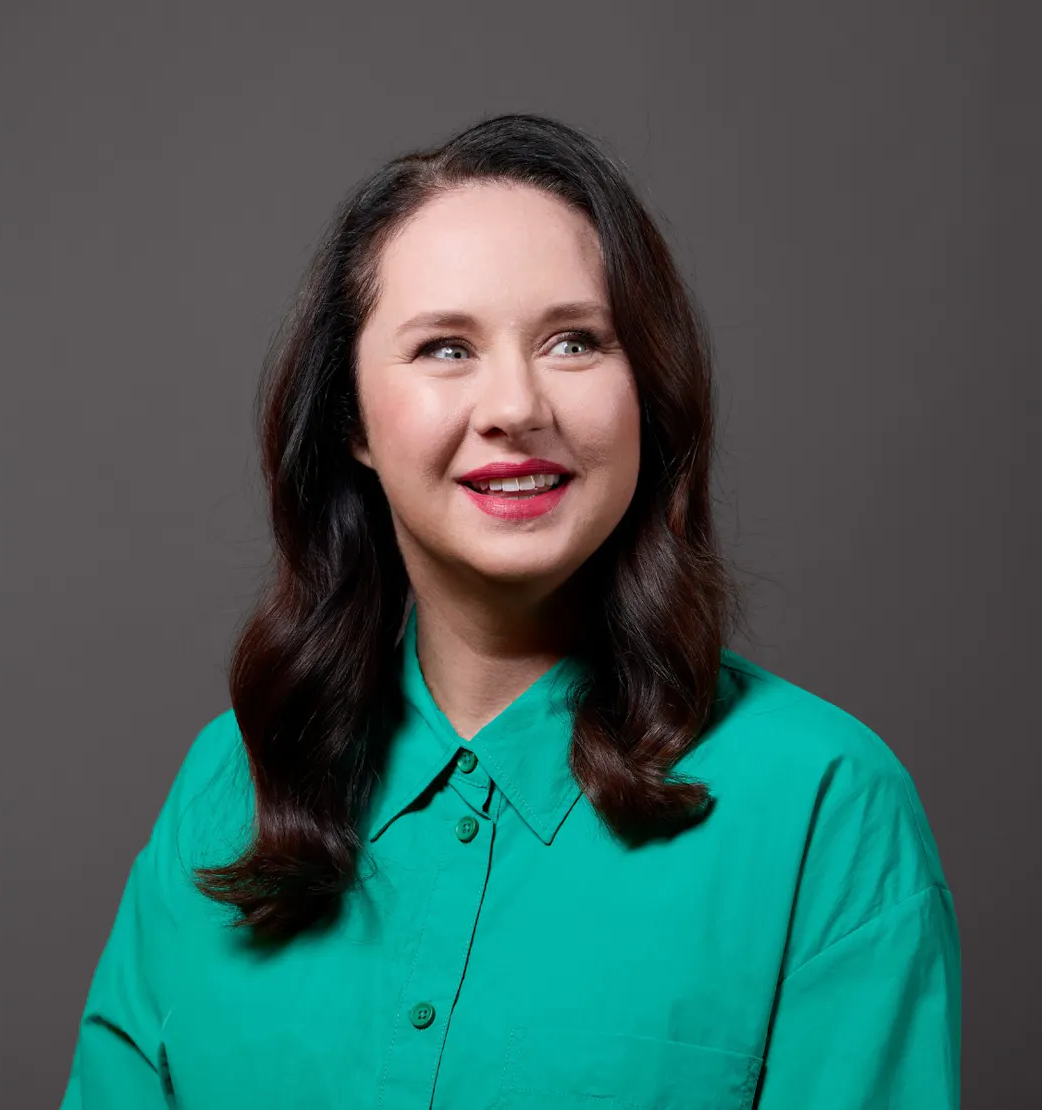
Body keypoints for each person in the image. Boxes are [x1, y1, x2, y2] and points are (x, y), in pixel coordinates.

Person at [58, 112, 961, 1109]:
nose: (516, 406)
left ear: (646, 392)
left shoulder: (823, 808)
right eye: (445, 349)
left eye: (574, 341)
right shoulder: (225, 787)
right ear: (353, 419)